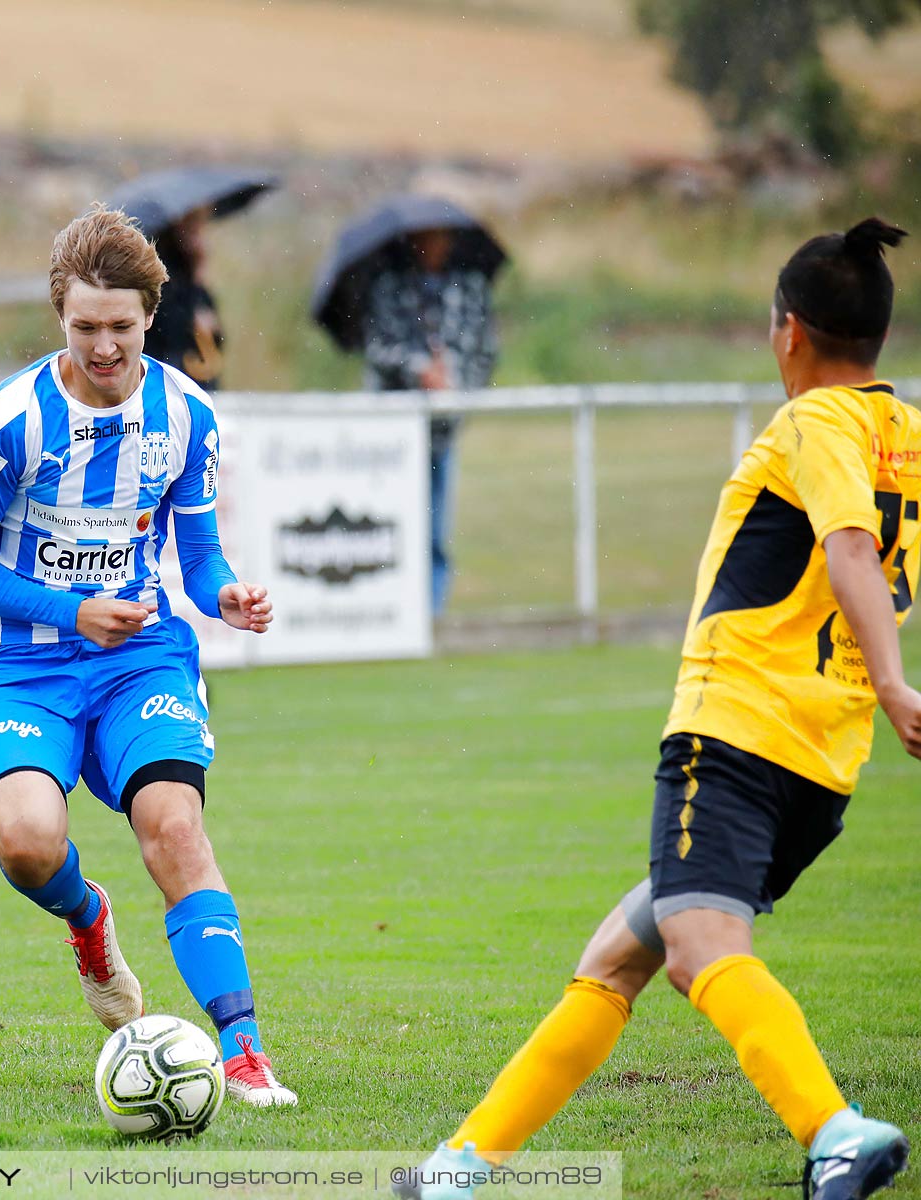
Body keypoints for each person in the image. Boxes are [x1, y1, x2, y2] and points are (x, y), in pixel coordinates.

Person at [395, 219, 918, 1200]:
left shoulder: (815, 424)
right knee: (620, 956)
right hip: (822, 760)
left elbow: (850, 548)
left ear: (788, 332)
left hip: (736, 737)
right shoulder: (906, 434)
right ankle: (457, 1169)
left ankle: (835, 1131)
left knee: (700, 950)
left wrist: (896, 684)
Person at [0, 206, 295, 1108]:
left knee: (174, 827)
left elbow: (199, 552)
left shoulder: (187, 414)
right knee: (24, 845)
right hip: (23, 669)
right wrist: (70, 609)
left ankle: (245, 1053)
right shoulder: (10, 423)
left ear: (149, 317)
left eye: (121, 327)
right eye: (86, 326)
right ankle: (88, 919)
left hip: (140, 660)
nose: (104, 347)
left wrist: (226, 596)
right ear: (61, 314)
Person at [361, 226, 498, 616]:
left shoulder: (469, 288)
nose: (432, 244)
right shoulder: (389, 288)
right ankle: (396, 611)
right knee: (394, 524)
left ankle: (431, 614)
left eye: (440, 236)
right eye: (425, 236)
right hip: (394, 433)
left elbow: (485, 349)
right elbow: (377, 347)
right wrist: (418, 369)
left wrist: (456, 384)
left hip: (444, 429)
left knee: (436, 528)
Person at [142, 207, 225, 388]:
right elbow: (170, 330)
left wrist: (199, 274)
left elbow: (217, 339)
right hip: (167, 380)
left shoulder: (192, 275)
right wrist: (192, 321)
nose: (199, 239)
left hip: (198, 380)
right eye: (193, 230)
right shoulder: (159, 274)